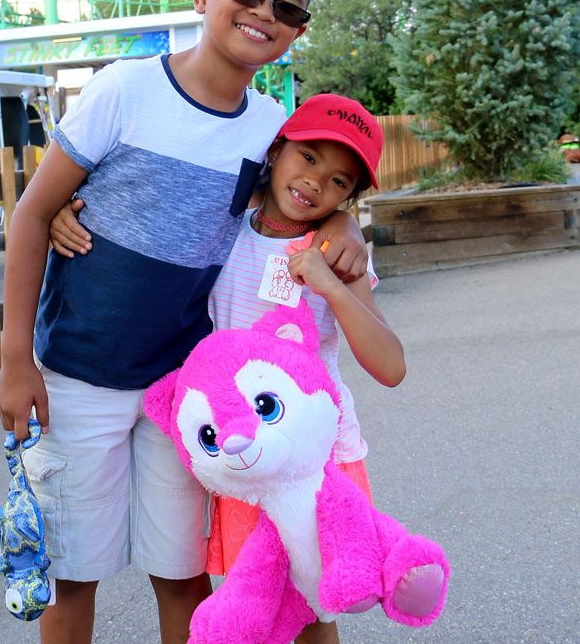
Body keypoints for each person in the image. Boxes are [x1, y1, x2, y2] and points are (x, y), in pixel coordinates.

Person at [0, 0, 368, 644]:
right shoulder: (124, 92)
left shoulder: (271, 129)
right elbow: (31, 215)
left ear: (298, 29)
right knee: (71, 576)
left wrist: (346, 225)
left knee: (183, 576)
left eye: (286, 8)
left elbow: (313, 191)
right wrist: (16, 363)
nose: (263, 14)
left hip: (185, 391)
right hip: (79, 376)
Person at [50, 94, 404, 644]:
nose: (315, 183)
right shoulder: (229, 223)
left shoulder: (336, 251)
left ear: (350, 197)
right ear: (278, 149)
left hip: (311, 462)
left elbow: (390, 366)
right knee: (253, 604)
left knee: (312, 611)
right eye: (308, 158)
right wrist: (66, 206)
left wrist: (333, 280)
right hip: (237, 454)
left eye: (339, 182)